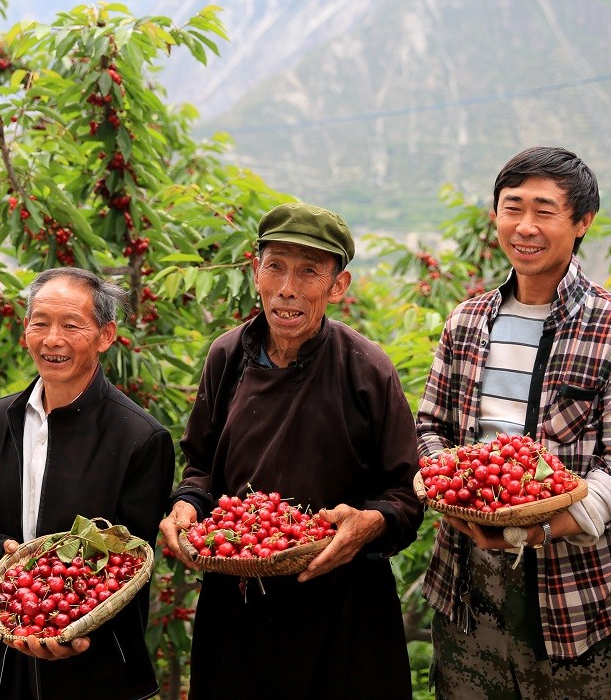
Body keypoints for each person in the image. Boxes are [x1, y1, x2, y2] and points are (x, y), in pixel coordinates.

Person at [416, 147, 611, 700]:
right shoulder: (466, 322)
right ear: (495, 215)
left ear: (582, 223)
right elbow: (429, 429)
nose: (525, 227)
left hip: (576, 591)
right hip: (465, 584)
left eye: (545, 211)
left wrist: (539, 528)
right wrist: (456, 496)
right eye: (512, 208)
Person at [157, 202, 422, 700]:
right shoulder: (227, 356)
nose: (287, 288)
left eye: (308, 272)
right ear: (255, 270)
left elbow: (406, 494)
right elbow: (200, 467)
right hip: (237, 599)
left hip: (340, 607)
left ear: (338, 286)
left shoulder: (366, 368)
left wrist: (370, 522)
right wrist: (186, 506)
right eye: (275, 265)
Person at [0, 267, 174, 700]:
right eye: (40, 323)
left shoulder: (140, 438)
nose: (53, 339)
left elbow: (130, 563)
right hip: (8, 660)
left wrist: (65, 619)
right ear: (25, 330)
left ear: (105, 336)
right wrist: (11, 560)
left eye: (72, 326)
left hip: (99, 669)